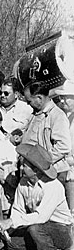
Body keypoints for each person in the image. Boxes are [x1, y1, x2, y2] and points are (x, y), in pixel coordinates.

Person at [0, 143, 73, 250]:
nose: (20, 168)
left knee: (36, 228)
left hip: (61, 230)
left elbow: (40, 217)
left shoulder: (53, 186)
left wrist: (12, 222)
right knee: (12, 243)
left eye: (24, 165)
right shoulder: (23, 183)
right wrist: (10, 228)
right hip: (39, 226)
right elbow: (18, 210)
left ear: (36, 170)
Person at [22, 81, 71, 181]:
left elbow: (64, 146)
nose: (27, 104)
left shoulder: (57, 115)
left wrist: (42, 161)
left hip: (51, 173)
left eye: (29, 101)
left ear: (39, 98)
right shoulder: (35, 114)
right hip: (35, 172)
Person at [51, 80, 74, 218]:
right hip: (65, 166)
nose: (63, 100)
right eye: (62, 97)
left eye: (67, 97)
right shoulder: (64, 115)